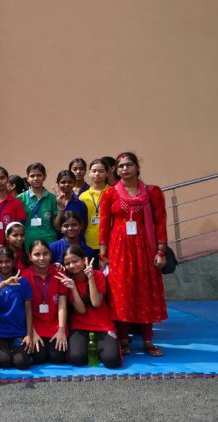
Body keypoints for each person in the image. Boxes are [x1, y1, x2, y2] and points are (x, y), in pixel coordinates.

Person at [99, 152, 168, 357]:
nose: (125, 169)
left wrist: (161, 251)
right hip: (119, 249)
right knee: (121, 293)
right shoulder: (110, 194)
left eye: (129, 165)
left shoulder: (152, 192)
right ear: (116, 170)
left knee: (145, 291)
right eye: (120, 166)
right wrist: (103, 256)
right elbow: (104, 226)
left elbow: (160, 223)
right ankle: (123, 340)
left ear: (137, 167)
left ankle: (148, 341)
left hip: (145, 248)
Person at [57, 246, 122, 368]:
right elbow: (81, 310)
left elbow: (96, 303)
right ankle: (90, 346)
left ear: (84, 260)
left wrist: (91, 278)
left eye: (75, 261)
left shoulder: (98, 275)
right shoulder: (68, 281)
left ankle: (98, 346)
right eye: (67, 263)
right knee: (76, 359)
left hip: (102, 325)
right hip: (80, 325)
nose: (72, 266)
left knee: (112, 361)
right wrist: (73, 288)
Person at [0, 246, 33, 369]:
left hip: (18, 332)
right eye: (0, 262)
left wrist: (29, 335)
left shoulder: (23, 282)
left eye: (7, 261)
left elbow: (28, 310)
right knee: (4, 362)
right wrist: (4, 283)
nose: (4, 265)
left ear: (13, 262)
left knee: (21, 363)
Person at [21, 241, 68, 365]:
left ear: (50, 254)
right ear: (30, 256)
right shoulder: (24, 276)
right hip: (35, 325)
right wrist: (32, 332)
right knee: (39, 357)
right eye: (37, 254)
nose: (41, 258)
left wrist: (61, 330)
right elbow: (25, 308)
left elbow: (62, 304)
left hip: (55, 324)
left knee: (57, 357)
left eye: (45, 254)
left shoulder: (59, 273)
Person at [18, 163, 62, 251]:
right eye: (32, 176)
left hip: (49, 242)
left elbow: (57, 227)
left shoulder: (53, 198)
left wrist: (61, 208)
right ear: (27, 178)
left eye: (39, 175)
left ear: (44, 177)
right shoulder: (20, 198)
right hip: (28, 242)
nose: (36, 178)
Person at [79, 158, 110, 256]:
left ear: (107, 173)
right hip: (88, 242)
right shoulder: (83, 196)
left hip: (109, 241)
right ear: (89, 173)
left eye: (101, 171)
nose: (97, 174)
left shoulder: (113, 192)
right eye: (94, 171)